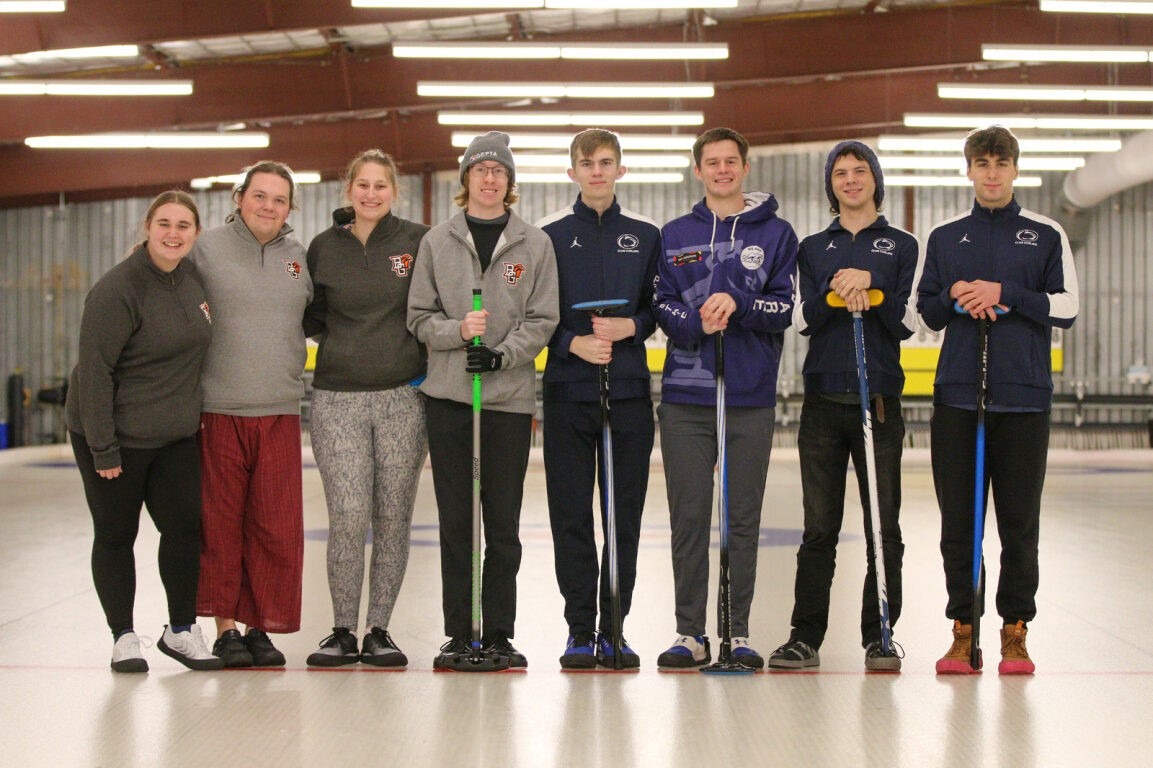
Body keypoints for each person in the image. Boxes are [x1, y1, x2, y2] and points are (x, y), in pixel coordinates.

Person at [917, 125, 1079, 675]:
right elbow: (922, 314)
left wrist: (1004, 293)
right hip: (958, 396)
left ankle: (1015, 631)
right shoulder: (945, 236)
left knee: (1018, 521)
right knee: (959, 523)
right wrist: (956, 297)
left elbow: (1067, 307)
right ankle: (963, 630)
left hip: (1023, 397)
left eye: (1000, 162)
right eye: (981, 162)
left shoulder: (1046, 232)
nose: (991, 172)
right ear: (968, 169)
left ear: (1015, 169)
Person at [407, 131, 558, 669]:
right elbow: (418, 317)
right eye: (480, 170)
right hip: (450, 399)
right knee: (456, 519)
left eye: (499, 172)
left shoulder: (533, 244)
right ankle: (459, 630)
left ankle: (497, 631)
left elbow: (543, 319)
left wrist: (501, 355)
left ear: (509, 183)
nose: (490, 179)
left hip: (507, 403)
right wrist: (455, 333)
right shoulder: (437, 241)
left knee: (502, 523)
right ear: (466, 179)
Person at [768, 141, 919, 672]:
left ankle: (880, 634)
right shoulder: (813, 247)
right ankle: (805, 636)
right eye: (840, 173)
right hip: (823, 403)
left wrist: (872, 283)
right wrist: (840, 289)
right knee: (819, 528)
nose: (851, 180)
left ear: (875, 179)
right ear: (830, 184)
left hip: (877, 403)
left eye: (860, 171)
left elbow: (906, 320)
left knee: (885, 527)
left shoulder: (902, 246)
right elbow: (805, 315)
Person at [653, 127, 798, 669]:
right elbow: (662, 305)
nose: (721, 170)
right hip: (686, 398)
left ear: (745, 166)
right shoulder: (673, 234)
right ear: (698, 170)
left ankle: (736, 632)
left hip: (748, 395)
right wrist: (693, 322)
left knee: (742, 517)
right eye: (711, 162)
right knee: (688, 516)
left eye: (730, 161)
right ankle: (689, 633)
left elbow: (784, 309)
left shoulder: (778, 233)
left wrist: (738, 306)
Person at [66, 191, 223, 672]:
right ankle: (123, 636)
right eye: (164, 224)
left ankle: (180, 630)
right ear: (147, 228)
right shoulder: (118, 290)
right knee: (116, 534)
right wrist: (103, 446)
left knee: (182, 530)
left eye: (183, 226)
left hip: (174, 436)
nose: (173, 234)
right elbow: (94, 373)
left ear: (195, 234)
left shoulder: (192, 279)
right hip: (117, 435)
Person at [535, 129, 661, 669]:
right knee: (570, 516)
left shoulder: (646, 236)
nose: (597, 172)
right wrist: (572, 343)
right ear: (572, 173)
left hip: (630, 395)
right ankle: (578, 631)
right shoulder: (549, 238)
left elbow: (661, 309)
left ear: (621, 171)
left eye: (607, 162)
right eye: (587, 163)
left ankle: (616, 628)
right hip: (568, 393)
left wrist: (630, 326)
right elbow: (534, 315)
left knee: (623, 516)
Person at [303, 150, 430, 667]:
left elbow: (435, 308)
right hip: (337, 399)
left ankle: (379, 629)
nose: (372, 194)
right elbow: (311, 316)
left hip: (404, 398)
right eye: (363, 185)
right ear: (348, 189)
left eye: (381, 186)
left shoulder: (418, 242)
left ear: (393, 191)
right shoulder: (322, 248)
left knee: (394, 518)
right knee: (350, 518)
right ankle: (340, 630)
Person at [191, 162, 313, 667]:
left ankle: (262, 625)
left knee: (275, 526)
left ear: (289, 208)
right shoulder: (206, 249)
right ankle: (225, 627)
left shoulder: (298, 259)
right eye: (259, 196)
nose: (268, 206)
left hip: (279, 409)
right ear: (240, 198)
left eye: (279, 199)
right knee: (221, 524)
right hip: (219, 407)